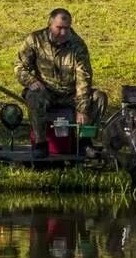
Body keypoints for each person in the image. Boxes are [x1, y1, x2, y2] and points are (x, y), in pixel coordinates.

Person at [15, 8, 108, 157]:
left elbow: (84, 78)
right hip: (46, 92)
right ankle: (40, 143)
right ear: (50, 25)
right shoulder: (35, 40)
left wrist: (82, 108)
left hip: (70, 94)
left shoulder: (78, 45)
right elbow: (20, 67)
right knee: (34, 95)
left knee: (99, 97)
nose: (63, 32)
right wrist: (31, 81)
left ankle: (84, 142)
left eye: (67, 28)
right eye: (59, 28)